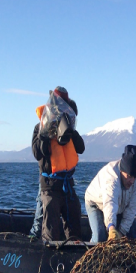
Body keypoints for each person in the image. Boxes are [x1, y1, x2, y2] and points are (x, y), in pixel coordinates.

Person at [32, 86, 85, 242]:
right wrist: (45, 133)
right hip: (50, 187)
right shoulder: (39, 128)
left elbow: (81, 148)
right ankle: (47, 254)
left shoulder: (69, 130)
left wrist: (71, 132)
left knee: (74, 215)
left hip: (67, 185)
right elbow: (37, 152)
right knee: (50, 224)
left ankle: (75, 251)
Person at [84, 145, 136, 243]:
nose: (131, 180)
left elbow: (131, 208)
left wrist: (121, 232)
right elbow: (110, 203)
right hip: (96, 204)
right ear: (121, 171)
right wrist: (111, 227)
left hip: (120, 207)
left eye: (134, 177)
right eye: (128, 176)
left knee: (135, 235)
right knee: (100, 237)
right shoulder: (111, 178)